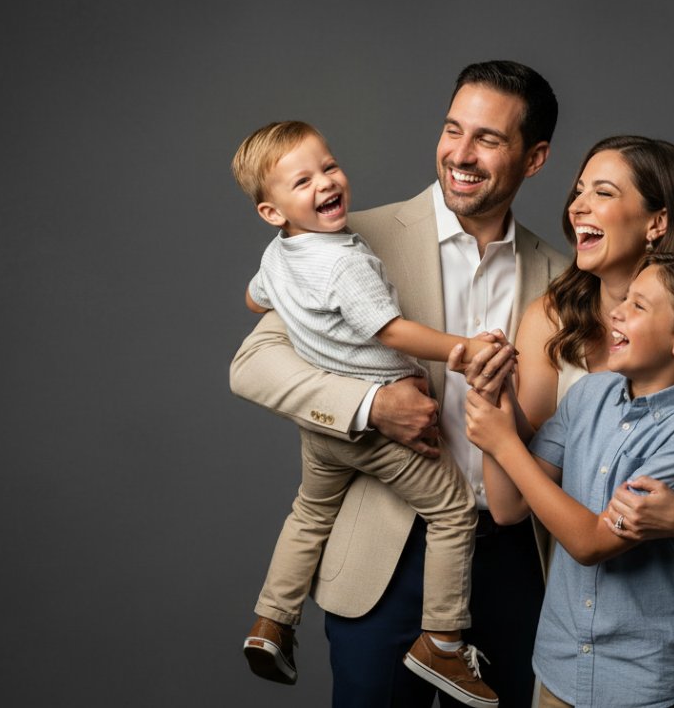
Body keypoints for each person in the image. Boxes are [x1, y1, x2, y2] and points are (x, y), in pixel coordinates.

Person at [229, 60, 567, 707]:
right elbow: (254, 364)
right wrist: (372, 403)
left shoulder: (561, 277)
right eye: (452, 130)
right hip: (384, 553)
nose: (460, 155)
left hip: (514, 561)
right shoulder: (351, 237)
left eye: (488, 140)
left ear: (535, 156)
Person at [455, 136, 674, 706]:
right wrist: (494, 406)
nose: (576, 206)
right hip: (577, 599)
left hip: (667, 577)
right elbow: (514, 497)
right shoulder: (551, 318)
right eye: (578, 191)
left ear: (657, 222)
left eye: (602, 192)